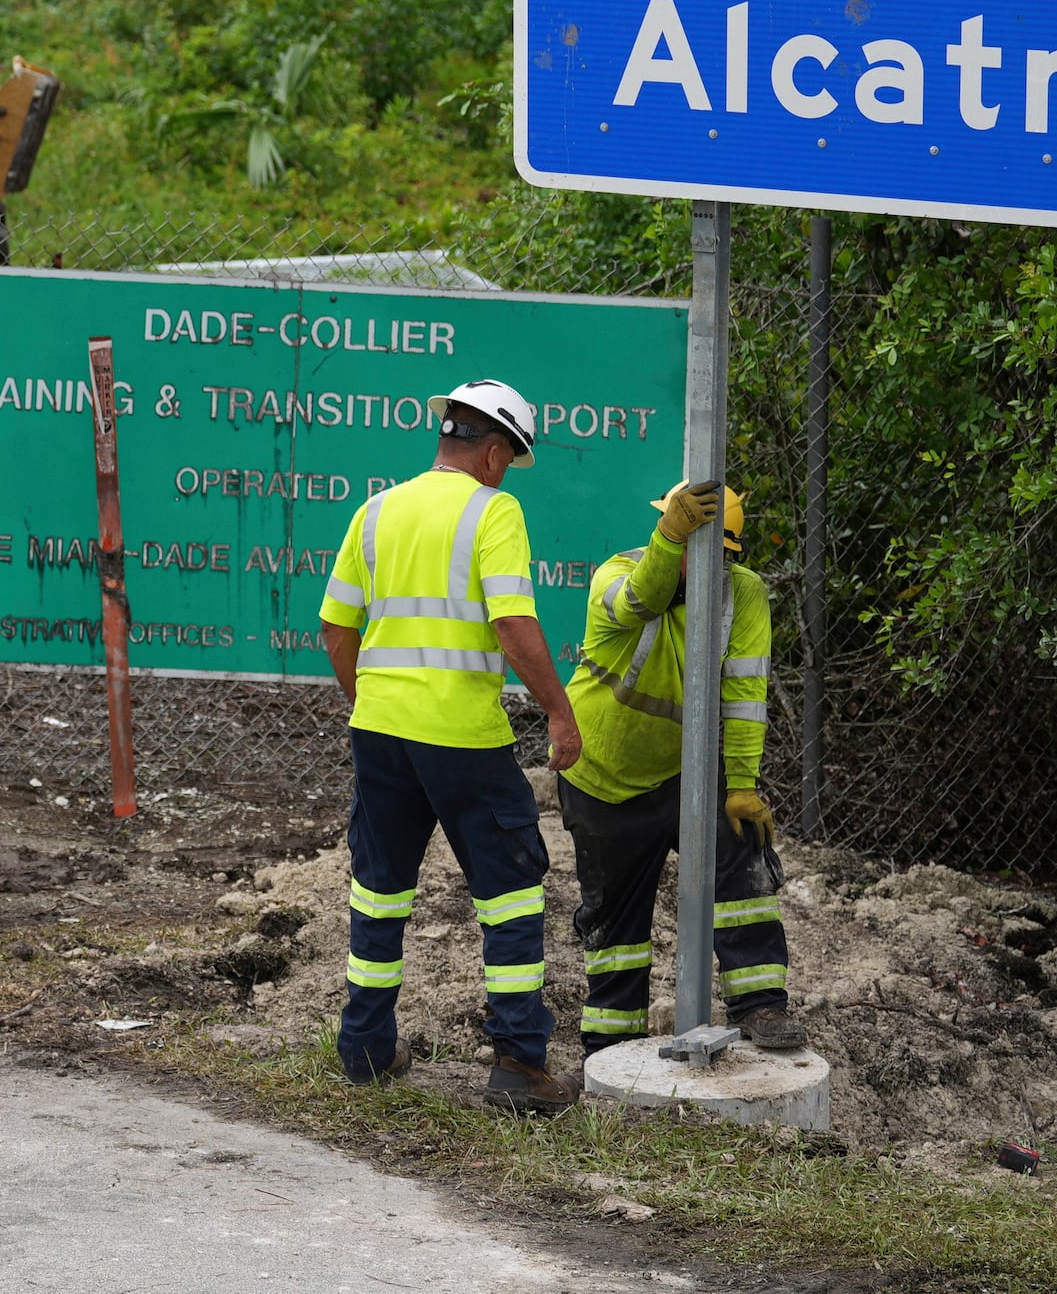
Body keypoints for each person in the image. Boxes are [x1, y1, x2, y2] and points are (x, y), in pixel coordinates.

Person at [320, 377, 587, 1112]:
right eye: (511, 459)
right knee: (509, 894)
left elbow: (337, 628)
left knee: (379, 888)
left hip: (380, 731)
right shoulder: (494, 510)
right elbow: (513, 623)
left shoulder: (376, 510)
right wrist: (559, 714)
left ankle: (366, 1048)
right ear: (495, 453)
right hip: (462, 736)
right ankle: (517, 1064)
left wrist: (369, 700)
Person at [558, 484, 806, 1059]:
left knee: (741, 852)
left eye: (713, 554)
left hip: (686, 772)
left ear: (729, 556)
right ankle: (610, 1043)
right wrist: (668, 540)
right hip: (603, 773)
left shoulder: (744, 595)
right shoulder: (618, 575)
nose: (703, 567)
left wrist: (741, 785)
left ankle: (761, 1002)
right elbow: (636, 602)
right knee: (615, 914)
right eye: (687, 546)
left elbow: (746, 695)